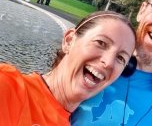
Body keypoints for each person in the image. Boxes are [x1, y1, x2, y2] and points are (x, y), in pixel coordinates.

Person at [0, 11, 136, 126]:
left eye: (121, 58)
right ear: (69, 40)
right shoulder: (8, 87)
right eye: (101, 43)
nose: (109, 63)